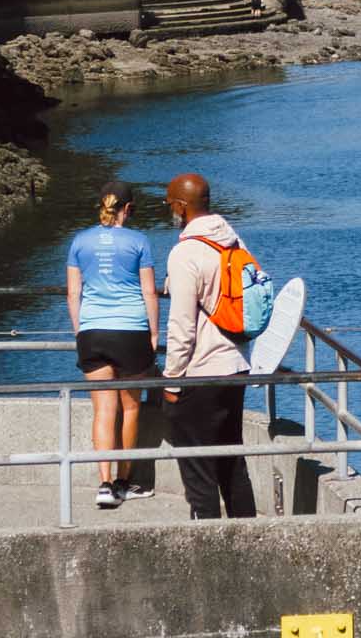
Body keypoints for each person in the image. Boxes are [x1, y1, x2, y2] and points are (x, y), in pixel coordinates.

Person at [159, 173, 257, 520]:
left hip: (200, 372)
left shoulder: (185, 253)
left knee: (198, 470)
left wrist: (171, 381)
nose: (169, 209)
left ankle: (209, 548)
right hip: (236, 365)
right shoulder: (233, 241)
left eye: (170, 203)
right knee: (231, 461)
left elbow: (183, 326)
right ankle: (247, 537)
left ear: (182, 207)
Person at [67, 181, 161, 509]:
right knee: (131, 407)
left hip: (93, 332)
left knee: (103, 410)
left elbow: (73, 294)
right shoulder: (138, 241)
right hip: (131, 330)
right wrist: (153, 333)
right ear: (128, 209)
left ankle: (104, 484)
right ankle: (124, 481)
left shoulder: (79, 241)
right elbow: (149, 292)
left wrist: (81, 331)